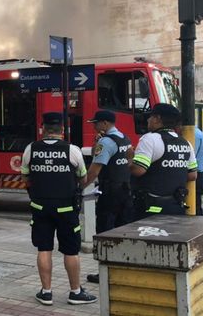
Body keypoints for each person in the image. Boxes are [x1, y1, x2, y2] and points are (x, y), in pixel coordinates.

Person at [21, 112, 97, 306]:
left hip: (40, 207)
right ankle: (75, 292)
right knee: (71, 251)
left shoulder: (31, 148)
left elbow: (25, 177)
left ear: (43, 129)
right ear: (62, 130)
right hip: (66, 209)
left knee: (44, 248)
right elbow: (82, 177)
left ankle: (46, 293)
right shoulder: (72, 150)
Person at [81, 110, 132, 284]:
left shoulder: (106, 142)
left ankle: (104, 273)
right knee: (122, 231)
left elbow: (95, 170)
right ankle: (121, 270)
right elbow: (127, 159)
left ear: (104, 123)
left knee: (105, 232)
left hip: (110, 194)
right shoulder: (124, 138)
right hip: (125, 192)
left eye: (96, 123)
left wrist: (79, 187)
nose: (94, 127)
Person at [128, 103, 198, 220]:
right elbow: (192, 175)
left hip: (150, 209)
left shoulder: (150, 139)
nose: (148, 120)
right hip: (175, 206)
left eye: (150, 117)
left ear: (157, 119)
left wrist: (130, 157)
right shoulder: (185, 143)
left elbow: (138, 170)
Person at [194, 127, 203, 215]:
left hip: (195, 174)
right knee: (196, 206)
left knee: (194, 208)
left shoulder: (193, 135)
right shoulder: (199, 133)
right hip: (200, 173)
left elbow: (191, 155)